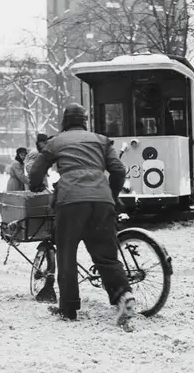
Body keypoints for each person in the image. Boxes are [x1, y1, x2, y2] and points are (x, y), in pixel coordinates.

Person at [29, 103, 135, 325]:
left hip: (71, 202)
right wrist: (111, 194)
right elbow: (118, 170)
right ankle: (123, 294)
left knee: (67, 253)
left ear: (65, 122)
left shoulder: (56, 141)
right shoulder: (101, 140)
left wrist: (35, 185)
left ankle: (68, 308)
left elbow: (37, 170)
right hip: (102, 201)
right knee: (106, 255)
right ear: (85, 121)